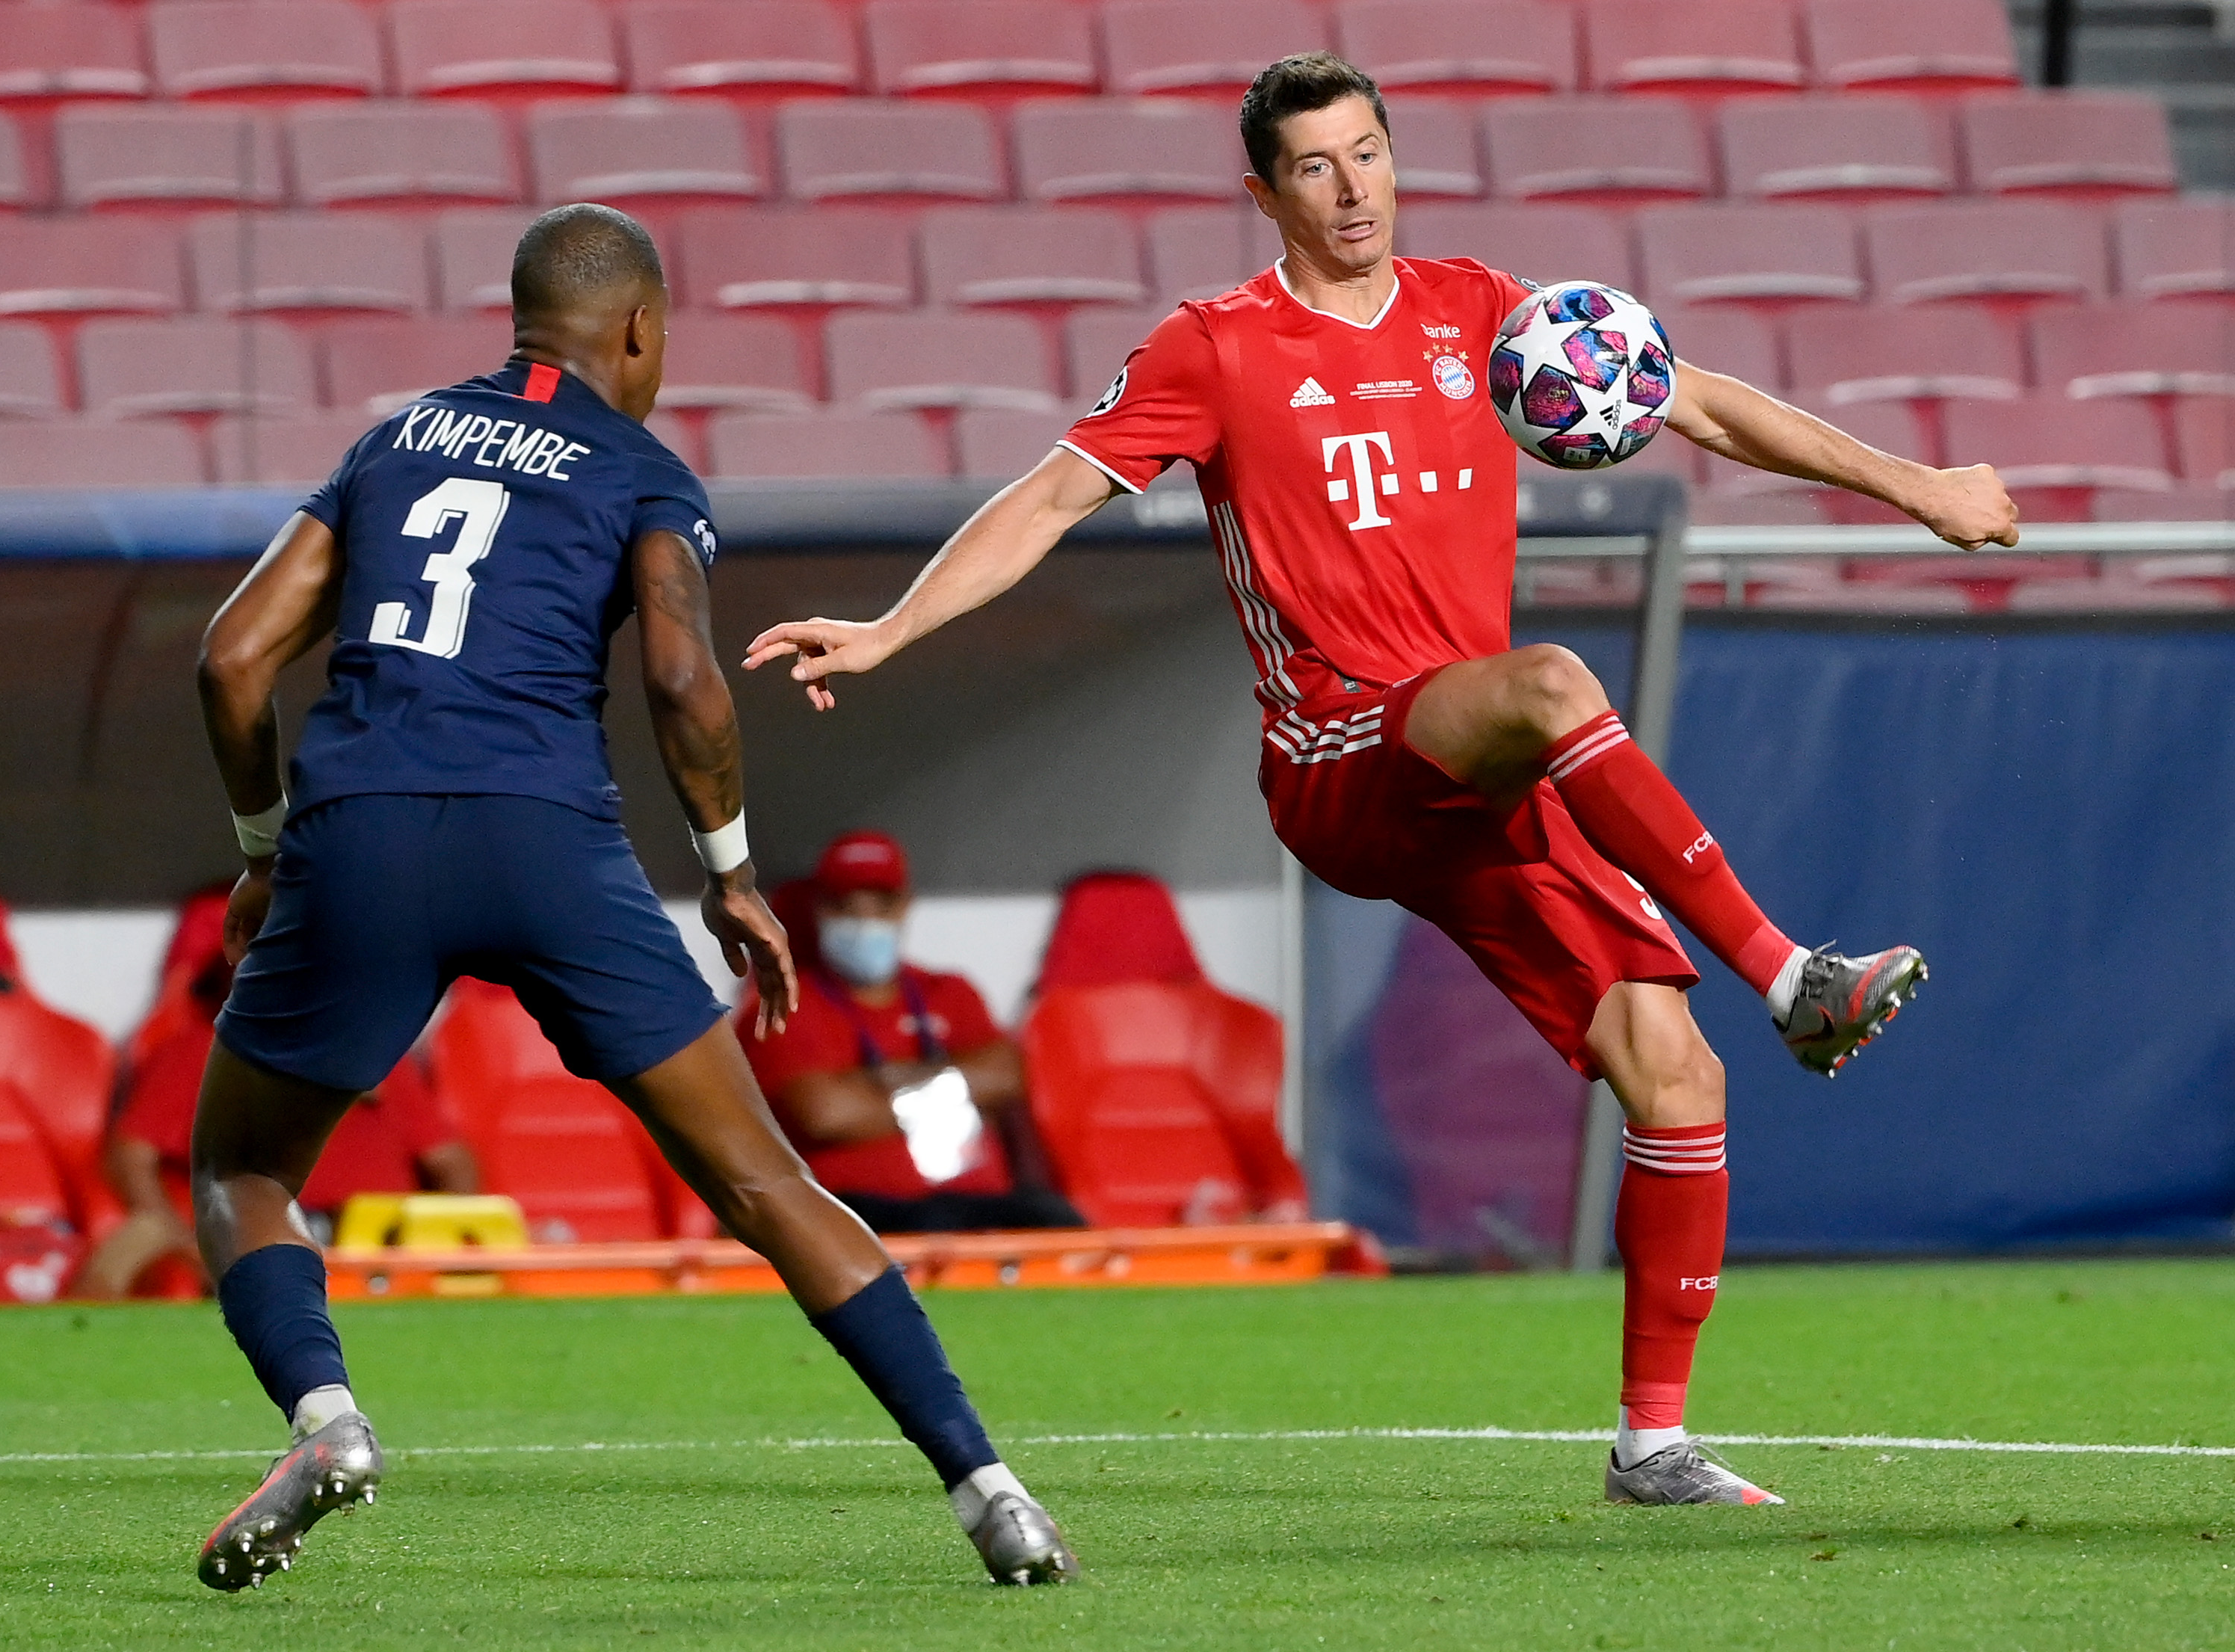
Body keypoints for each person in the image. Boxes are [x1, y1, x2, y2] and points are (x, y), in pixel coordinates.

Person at [745, 55, 2020, 1510]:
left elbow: (1704, 403)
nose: (1351, 190)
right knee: (1551, 684)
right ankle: (1790, 971)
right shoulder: (1211, 347)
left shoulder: (1484, 313)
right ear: (1263, 191)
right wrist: (894, 627)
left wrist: (1919, 488)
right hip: (1338, 756)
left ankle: (1650, 1445)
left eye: (1368, 155)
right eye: (1315, 167)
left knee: (1674, 1070)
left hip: (1472, 769)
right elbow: (1049, 495)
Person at [185, 203, 1074, 1591]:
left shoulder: (391, 441)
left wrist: (260, 850)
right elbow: (678, 681)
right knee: (763, 1178)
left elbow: (234, 657)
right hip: (545, 837)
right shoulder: (642, 472)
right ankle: (991, 1491)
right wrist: (730, 876)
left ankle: (331, 1421)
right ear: (642, 329)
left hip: (358, 826)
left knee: (241, 1171)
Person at [72, 940, 474, 1300]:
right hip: (261, 1248)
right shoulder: (197, 1053)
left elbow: (452, 1164)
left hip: (380, 1252)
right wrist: (185, 1242)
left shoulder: (372, 1051)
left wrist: (437, 1247)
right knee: (133, 1248)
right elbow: (130, 1158)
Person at [741, 831, 1082, 1234]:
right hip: (858, 1211)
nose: (865, 920)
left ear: (904, 906)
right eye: (844, 906)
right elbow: (826, 1115)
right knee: (936, 1224)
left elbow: (1007, 1076)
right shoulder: (786, 1005)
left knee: (1058, 1220)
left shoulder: (950, 992)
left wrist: (880, 1083)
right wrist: (952, 1082)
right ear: (819, 910)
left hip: (978, 1198)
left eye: (881, 904)